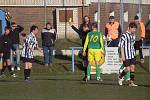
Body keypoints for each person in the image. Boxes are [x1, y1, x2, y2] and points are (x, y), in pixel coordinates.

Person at [71, 16, 92, 81]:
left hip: (91, 49)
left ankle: (91, 75)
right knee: (85, 62)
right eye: (83, 27)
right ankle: (86, 75)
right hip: (85, 49)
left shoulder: (90, 33)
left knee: (90, 62)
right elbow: (77, 31)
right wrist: (72, 26)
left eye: (86, 27)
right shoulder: (82, 33)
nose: (84, 28)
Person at [118, 22, 138, 86]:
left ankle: (131, 82)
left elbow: (132, 45)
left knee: (132, 68)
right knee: (127, 69)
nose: (134, 30)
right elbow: (121, 46)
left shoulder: (133, 35)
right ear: (129, 28)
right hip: (126, 55)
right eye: (133, 29)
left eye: (135, 29)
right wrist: (122, 55)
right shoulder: (124, 35)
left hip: (132, 54)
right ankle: (120, 76)